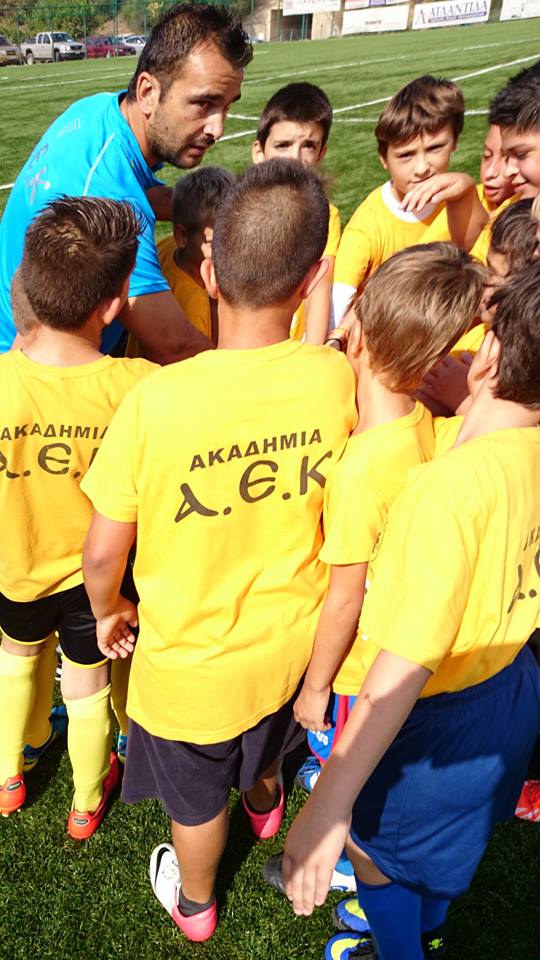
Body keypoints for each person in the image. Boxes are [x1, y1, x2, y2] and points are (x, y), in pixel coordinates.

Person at [80, 159, 357, 942]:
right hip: (296, 651)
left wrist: (108, 609)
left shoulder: (154, 400)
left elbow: (101, 552)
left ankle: (197, 904)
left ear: (207, 270)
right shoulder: (335, 379)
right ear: (312, 282)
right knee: (268, 743)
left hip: (190, 672)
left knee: (197, 803)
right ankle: (266, 802)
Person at [280, 260, 540, 960]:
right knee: (445, 843)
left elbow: (401, 668)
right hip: (512, 689)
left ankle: (399, 946)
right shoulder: (494, 445)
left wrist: (328, 805)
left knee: (374, 848)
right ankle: (422, 917)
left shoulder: (444, 489)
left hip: (436, 718)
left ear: (488, 355)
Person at [263, 243, 483, 907]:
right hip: (410, 651)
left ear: (354, 330)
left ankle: (347, 859)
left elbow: (344, 600)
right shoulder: (424, 420)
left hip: (361, 668)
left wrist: (314, 688)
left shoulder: (359, 473)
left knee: (355, 765)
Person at [0, 197, 157, 838]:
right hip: (99, 581)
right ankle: (86, 802)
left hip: (15, 563)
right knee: (87, 683)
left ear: (26, 288)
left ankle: (9, 774)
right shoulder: (138, 386)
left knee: (15, 655)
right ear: (115, 305)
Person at [0, 3, 252, 362]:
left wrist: (228, 211)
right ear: (147, 92)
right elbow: (175, 345)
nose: (218, 128)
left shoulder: (99, 110)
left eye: (226, 106)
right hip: (36, 372)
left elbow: (145, 193)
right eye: (203, 104)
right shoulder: (108, 199)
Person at [332, 76, 485, 328]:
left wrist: (465, 192)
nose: (422, 167)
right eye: (406, 155)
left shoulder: (468, 196)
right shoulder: (368, 227)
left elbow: (482, 257)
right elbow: (338, 303)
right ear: (384, 159)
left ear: (455, 142)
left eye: (435, 148)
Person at [419, 198, 537, 416]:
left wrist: (463, 398)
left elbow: (522, 428)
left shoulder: (527, 359)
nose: (484, 280)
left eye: (494, 274)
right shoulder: (486, 329)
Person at [252, 82, 340, 344]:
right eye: (283, 145)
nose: (295, 157)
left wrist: (312, 354)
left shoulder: (326, 214)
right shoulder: (242, 207)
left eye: (309, 146)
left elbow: (319, 289)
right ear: (259, 152)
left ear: (322, 153)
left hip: (295, 346)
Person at [156, 166, 235, 344]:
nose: (230, 249)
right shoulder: (194, 307)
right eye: (216, 242)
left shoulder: (166, 246)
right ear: (182, 236)